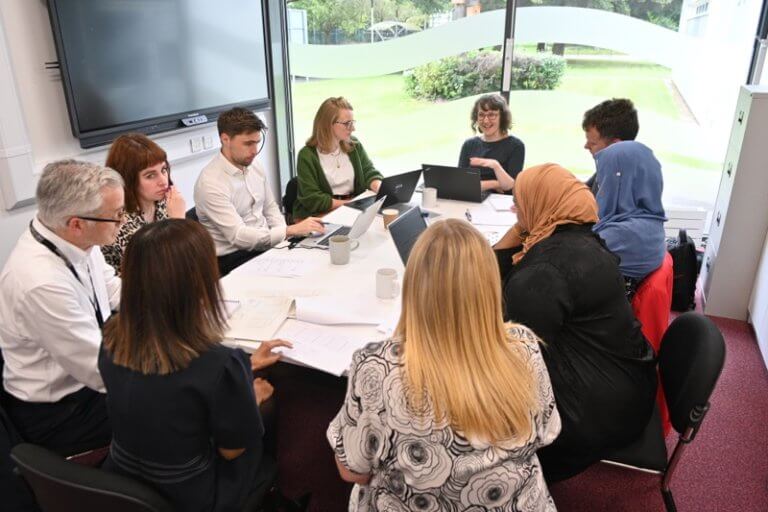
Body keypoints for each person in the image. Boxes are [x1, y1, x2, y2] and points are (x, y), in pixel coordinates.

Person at [328, 219, 561, 511]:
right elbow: (547, 434)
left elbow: (353, 470)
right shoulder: (524, 347)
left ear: (413, 284)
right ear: (489, 284)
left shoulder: (376, 366)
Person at [99, 218, 290, 512]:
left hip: (122, 479)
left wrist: (243, 369)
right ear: (200, 282)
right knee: (268, 406)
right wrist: (250, 398)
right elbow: (231, 450)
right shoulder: (218, 363)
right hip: (194, 495)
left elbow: (164, 389)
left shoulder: (112, 340)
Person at [495, 163, 657, 482]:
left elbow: (514, 356)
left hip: (591, 415)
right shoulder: (580, 237)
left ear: (543, 204)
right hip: (628, 384)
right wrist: (523, 226)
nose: (515, 206)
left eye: (521, 200)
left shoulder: (543, 273)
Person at [0, 160, 123, 455]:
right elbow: (102, 372)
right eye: (117, 216)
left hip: (91, 373)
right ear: (76, 224)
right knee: (177, 408)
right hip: (62, 412)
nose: (123, 221)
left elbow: (114, 290)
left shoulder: (73, 240)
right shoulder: (40, 282)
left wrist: (175, 302)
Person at [194, 107, 324, 276]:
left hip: (265, 245)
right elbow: (239, 237)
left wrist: (284, 241)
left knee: (317, 264)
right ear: (225, 139)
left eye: (257, 142)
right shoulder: (210, 184)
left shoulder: (254, 165)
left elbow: (270, 209)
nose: (255, 150)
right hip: (233, 258)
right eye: (248, 143)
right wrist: (289, 231)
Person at [100, 133, 186, 274]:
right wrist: (179, 222)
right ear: (128, 180)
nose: (163, 181)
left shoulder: (162, 202)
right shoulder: (120, 220)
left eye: (164, 170)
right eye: (150, 175)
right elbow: (159, 270)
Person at [593, 141, 667, 295]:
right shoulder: (650, 221)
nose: (600, 185)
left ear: (621, 181)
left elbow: (566, 259)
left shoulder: (622, 234)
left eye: (604, 178)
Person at [293, 97, 383, 219]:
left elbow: (368, 172)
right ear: (328, 124)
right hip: (319, 215)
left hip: (351, 208)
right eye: (347, 124)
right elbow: (312, 199)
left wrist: (380, 188)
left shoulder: (354, 145)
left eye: (353, 123)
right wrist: (351, 205)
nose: (353, 128)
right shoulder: (307, 156)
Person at [458, 93, 524, 192]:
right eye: (481, 115)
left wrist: (495, 165)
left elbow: (511, 186)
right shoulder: (469, 144)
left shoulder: (516, 146)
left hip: (500, 204)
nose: (486, 120)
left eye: (492, 115)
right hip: (471, 200)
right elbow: (460, 182)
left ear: (502, 117)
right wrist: (494, 184)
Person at [582, 98, 639, 192]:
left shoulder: (620, 187)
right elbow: (585, 189)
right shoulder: (611, 165)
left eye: (593, 143)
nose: (586, 146)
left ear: (615, 147)